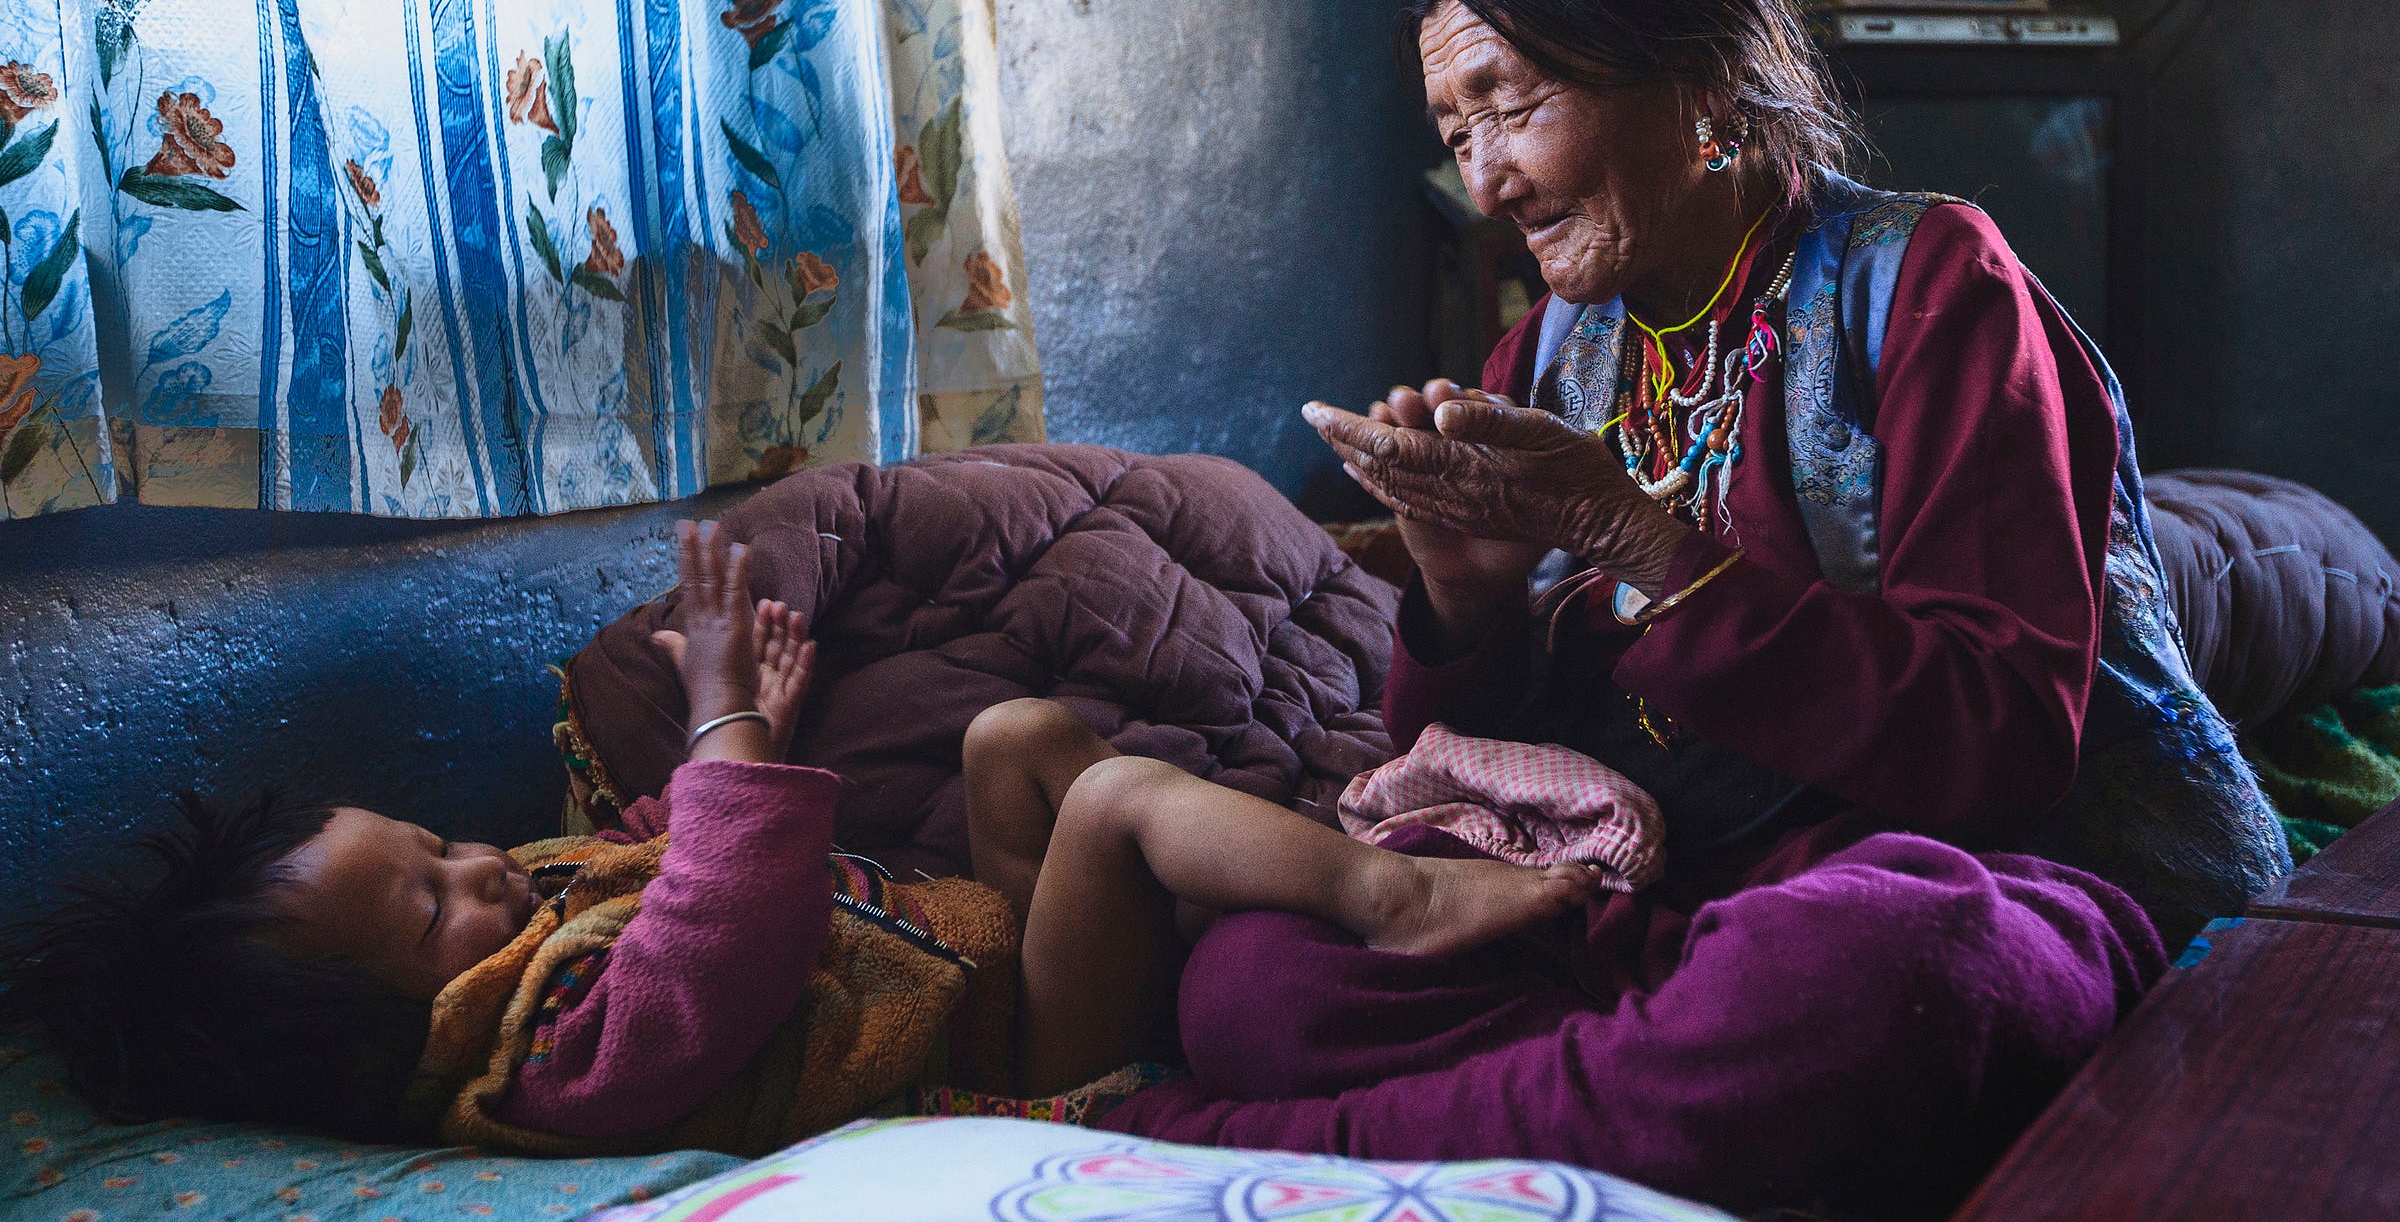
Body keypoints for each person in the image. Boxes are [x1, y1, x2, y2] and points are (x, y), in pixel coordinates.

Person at [1097, 0, 2288, 1220]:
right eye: (1454, 127)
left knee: (1874, 982)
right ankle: (1634, 1097)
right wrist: (1462, 600)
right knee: (1256, 973)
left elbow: (2004, 746)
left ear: (1707, 85)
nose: (1484, 181)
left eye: (1514, 105)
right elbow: (1478, 759)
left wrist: (1632, 534)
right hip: (1676, 887)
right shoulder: (1546, 350)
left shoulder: (1936, 289)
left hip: (1975, 872)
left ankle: (1215, 1143)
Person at [0, 522, 1600, 1149]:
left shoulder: (522, 927)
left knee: (1021, 739)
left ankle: (1281, 869)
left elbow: (647, 854)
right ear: (394, 1031)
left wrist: (739, 723)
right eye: (429, 907)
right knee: (1108, 802)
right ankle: (1392, 896)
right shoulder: (540, 1064)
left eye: (431, 841)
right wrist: (722, 719)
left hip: (971, 943)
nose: (477, 866)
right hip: (1019, 1048)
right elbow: (720, 929)